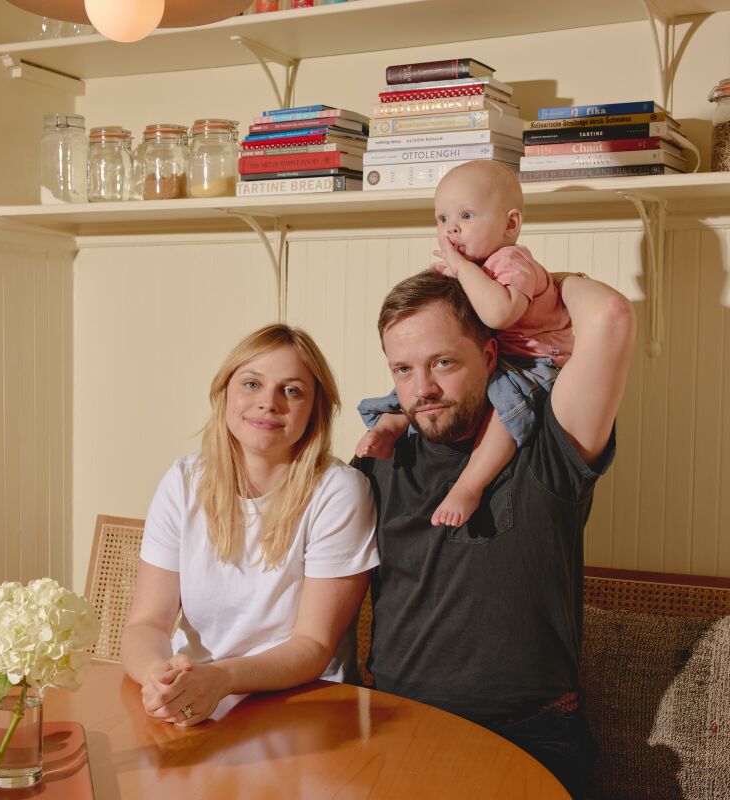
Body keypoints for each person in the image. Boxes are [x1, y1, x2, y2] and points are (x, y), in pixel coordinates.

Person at [354, 269, 635, 798]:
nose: (423, 389)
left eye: (443, 362)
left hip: (530, 737)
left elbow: (611, 318)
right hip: (396, 727)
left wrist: (522, 282)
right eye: (403, 369)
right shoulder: (381, 458)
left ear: (488, 357)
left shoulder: (549, 447)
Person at [122, 323, 379, 726]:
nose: (269, 403)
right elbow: (146, 624)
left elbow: (313, 646)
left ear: (315, 408)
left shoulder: (339, 491)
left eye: (291, 390)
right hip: (193, 700)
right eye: (252, 384)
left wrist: (221, 679)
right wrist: (160, 678)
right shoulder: (184, 481)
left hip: (302, 708)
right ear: (225, 393)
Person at [356, 160, 573, 529]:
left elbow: (499, 314)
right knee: (416, 384)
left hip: (537, 359)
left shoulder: (511, 261)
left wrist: (460, 268)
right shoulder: (468, 266)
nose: (452, 228)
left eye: (467, 215)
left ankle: (470, 485)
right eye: (442, 219)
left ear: (510, 224)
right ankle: (391, 425)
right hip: (505, 355)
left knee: (507, 408)